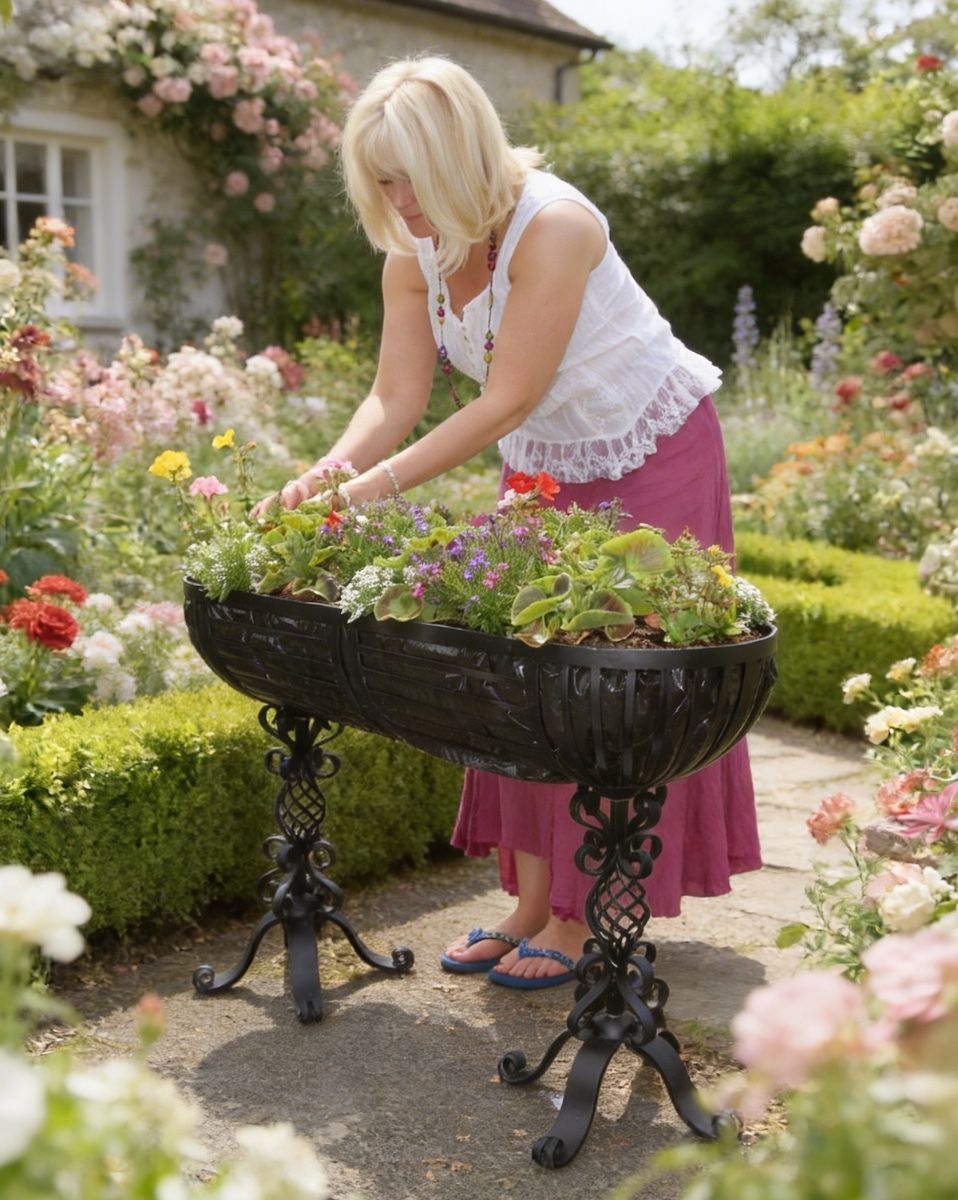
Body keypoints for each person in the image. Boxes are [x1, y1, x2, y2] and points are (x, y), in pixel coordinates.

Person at [254, 56, 762, 988]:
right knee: (520, 675)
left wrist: (366, 496)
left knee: (610, 689)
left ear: (458, 157)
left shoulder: (555, 227)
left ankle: (585, 911)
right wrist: (320, 480)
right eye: (380, 179)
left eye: (408, 175)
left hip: (652, 452)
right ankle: (532, 903)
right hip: (546, 466)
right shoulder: (413, 251)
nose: (397, 199)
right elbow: (394, 395)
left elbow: (505, 400)